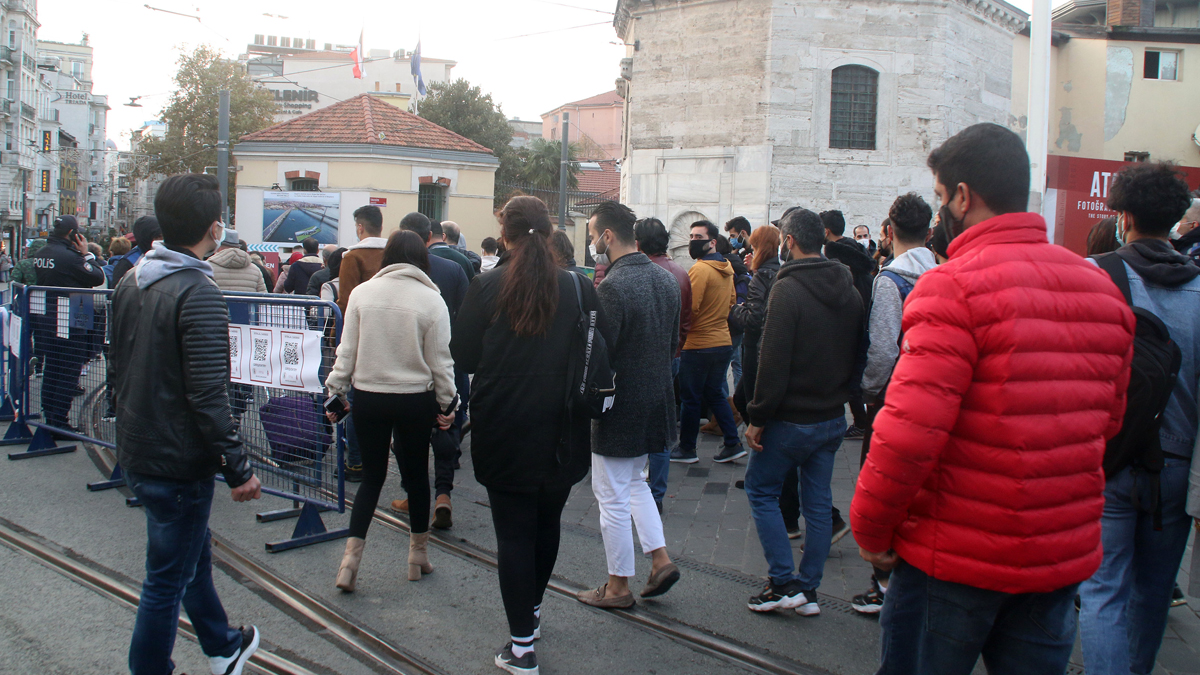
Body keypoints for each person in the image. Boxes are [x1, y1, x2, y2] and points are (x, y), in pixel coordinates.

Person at [850, 123, 1135, 675]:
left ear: (962, 196)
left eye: (939, 199)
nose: (939, 216)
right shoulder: (1100, 287)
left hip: (951, 558)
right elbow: (1108, 422)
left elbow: (907, 434)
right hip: (1055, 554)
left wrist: (872, 530)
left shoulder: (951, 287)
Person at [109, 173, 263, 675]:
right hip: (177, 462)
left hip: (139, 448)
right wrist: (238, 468)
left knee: (191, 557)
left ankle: (221, 645)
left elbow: (118, 368)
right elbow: (208, 395)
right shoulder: (197, 291)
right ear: (213, 228)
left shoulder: (134, 278)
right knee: (164, 582)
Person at [451, 195, 610, 674]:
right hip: (564, 426)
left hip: (504, 424)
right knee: (547, 524)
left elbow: (465, 358)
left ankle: (522, 647)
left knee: (513, 534)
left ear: (506, 235)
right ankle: (533, 615)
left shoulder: (487, 286)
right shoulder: (580, 289)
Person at [1078, 163, 1200, 675]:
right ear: (1176, 220)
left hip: (1110, 456)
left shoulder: (1094, 276)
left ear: (1122, 215)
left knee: (1103, 588)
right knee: (1153, 592)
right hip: (1177, 464)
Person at [742, 208, 863, 617]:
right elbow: (859, 351)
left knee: (761, 489)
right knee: (817, 500)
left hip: (791, 418)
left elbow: (772, 361)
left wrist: (757, 416)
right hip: (831, 415)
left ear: (789, 242)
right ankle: (807, 590)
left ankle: (781, 581)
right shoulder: (848, 287)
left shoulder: (787, 290)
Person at [326, 230, 456, 590]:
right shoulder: (432, 300)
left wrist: (336, 389)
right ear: (422, 260)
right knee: (416, 478)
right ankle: (418, 557)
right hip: (415, 399)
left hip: (368, 396)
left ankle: (350, 562)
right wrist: (448, 404)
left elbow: (346, 351)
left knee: (371, 478)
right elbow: (441, 363)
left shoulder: (363, 294)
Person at [577, 201, 681, 610]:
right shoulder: (666, 278)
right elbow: (673, 342)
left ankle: (617, 585)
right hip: (656, 396)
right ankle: (660, 560)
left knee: (611, 494)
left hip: (620, 403)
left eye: (591, 236)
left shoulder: (613, 287)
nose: (590, 244)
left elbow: (601, 354)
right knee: (635, 481)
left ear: (607, 236)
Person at [848, 192, 935, 615]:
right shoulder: (944, 273)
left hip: (895, 396)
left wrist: (867, 392)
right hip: (935, 396)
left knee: (882, 480)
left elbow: (883, 348)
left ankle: (883, 583)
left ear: (887, 232)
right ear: (930, 232)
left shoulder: (891, 280)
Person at [387, 212, 470, 529]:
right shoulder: (455, 267)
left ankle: (412, 492)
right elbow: (465, 317)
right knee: (447, 425)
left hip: (408, 364)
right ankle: (443, 495)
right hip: (449, 359)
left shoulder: (394, 274)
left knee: (407, 434)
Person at [729, 224, 792, 532]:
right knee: (746, 401)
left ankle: (764, 474)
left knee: (748, 403)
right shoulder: (777, 272)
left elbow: (753, 320)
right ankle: (758, 471)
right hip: (765, 352)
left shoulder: (761, 276)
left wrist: (734, 311)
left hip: (757, 353)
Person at [670, 220, 744, 465]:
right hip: (722, 341)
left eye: (698, 236)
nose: (693, 240)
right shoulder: (727, 269)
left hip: (698, 343)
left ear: (712, 242)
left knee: (691, 398)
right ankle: (733, 443)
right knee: (714, 394)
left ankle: (687, 449)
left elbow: (690, 308)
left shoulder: (700, 270)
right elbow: (732, 302)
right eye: (691, 236)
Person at [634, 217, 692, 510]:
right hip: (673, 357)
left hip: (645, 361)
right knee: (662, 426)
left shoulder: (640, 274)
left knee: (640, 426)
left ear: (638, 243)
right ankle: (655, 493)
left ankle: (642, 489)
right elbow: (685, 322)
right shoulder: (680, 272)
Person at [32, 216, 107, 431]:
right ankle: (60, 423)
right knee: (68, 372)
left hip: (47, 318)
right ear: (74, 234)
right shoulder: (71, 257)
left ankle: (51, 419)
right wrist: (87, 254)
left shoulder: (41, 253)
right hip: (72, 318)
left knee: (52, 370)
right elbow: (97, 277)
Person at [337, 205, 389, 482]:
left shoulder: (352, 257)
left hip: (362, 339)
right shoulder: (392, 254)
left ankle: (356, 463)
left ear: (360, 227)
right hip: (391, 336)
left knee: (356, 403)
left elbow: (345, 303)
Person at [821, 209, 875, 440]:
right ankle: (863, 420)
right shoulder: (855, 248)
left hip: (849, 318)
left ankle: (860, 423)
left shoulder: (834, 251)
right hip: (863, 315)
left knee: (848, 374)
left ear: (826, 231)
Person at [112, 216, 163, 287]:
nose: (160, 241)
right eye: (157, 237)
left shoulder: (166, 255)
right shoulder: (129, 261)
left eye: (162, 237)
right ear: (146, 237)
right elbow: (116, 291)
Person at [1170, 198, 1200, 264]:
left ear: (1193, 225)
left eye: (1180, 219)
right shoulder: (1185, 245)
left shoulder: (1192, 256)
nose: (1176, 222)